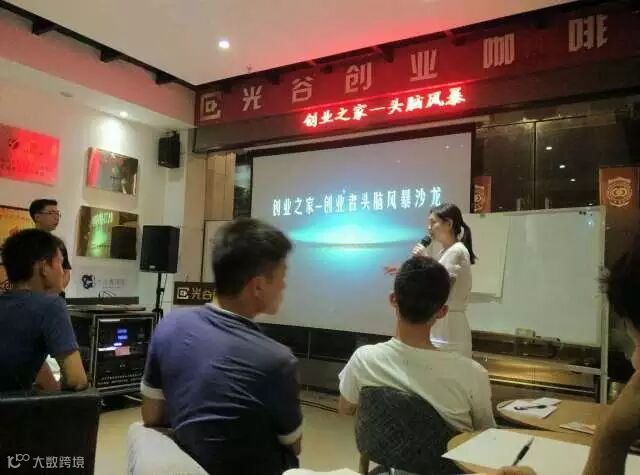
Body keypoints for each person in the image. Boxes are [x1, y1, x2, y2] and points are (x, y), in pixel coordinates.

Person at [140, 218, 302, 475]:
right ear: (258, 286)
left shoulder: (169, 325)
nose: (284, 285)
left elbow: (151, 416)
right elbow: (293, 444)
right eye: (282, 276)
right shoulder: (278, 360)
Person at [338, 255, 495, 433]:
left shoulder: (363, 360)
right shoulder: (472, 375)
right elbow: (486, 434)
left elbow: (345, 409)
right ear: (442, 312)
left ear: (393, 299)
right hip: (447, 453)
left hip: (383, 451)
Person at [0, 229, 87, 392]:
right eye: (60, 263)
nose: (62, 272)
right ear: (44, 268)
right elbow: (76, 380)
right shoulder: (51, 305)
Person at [29, 199, 72, 292]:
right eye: (51, 213)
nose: (56, 217)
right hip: (29, 296)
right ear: (37, 217)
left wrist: (56, 289)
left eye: (57, 213)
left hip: (54, 296)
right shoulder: (25, 242)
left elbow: (66, 271)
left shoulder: (59, 244)